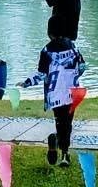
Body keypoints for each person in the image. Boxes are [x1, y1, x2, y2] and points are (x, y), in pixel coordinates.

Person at [36, 20, 85, 168]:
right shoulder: (73, 47)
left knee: (59, 120)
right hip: (71, 92)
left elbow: (42, 73)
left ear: (49, 32)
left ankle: (56, 139)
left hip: (55, 93)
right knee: (67, 122)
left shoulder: (46, 50)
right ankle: (65, 153)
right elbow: (82, 66)